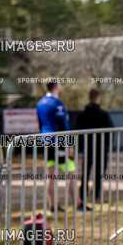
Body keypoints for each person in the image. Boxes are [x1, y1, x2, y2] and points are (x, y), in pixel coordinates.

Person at [36, 81, 77, 213]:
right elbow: (64, 125)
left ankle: (52, 205)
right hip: (59, 142)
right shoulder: (58, 104)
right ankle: (78, 204)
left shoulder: (40, 103)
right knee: (71, 172)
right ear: (55, 87)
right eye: (60, 84)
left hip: (46, 141)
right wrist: (69, 144)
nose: (61, 87)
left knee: (50, 175)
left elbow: (40, 124)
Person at [76, 89, 113, 210]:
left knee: (85, 172)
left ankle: (83, 194)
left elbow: (77, 130)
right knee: (99, 172)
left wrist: (80, 146)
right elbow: (111, 130)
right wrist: (107, 145)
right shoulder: (103, 114)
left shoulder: (82, 114)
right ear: (98, 98)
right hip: (100, 148)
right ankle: (96, 195)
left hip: (87, 148)